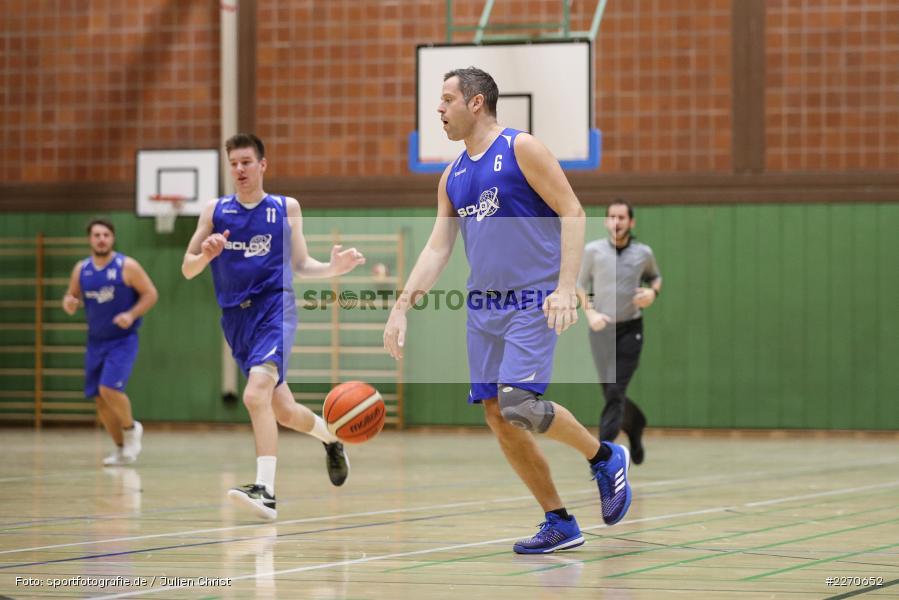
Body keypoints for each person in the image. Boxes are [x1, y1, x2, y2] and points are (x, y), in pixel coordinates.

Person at [383, 67, 633, 554]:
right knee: (499, 415)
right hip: (483, 308)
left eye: (447, 99)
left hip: (532, 298)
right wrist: (401, 306)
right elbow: (438, 248)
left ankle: (604, 456)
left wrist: (565, 287)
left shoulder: (522, 148)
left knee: (519, 402)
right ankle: (559, 520)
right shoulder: (452, 175)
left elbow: (573, 211)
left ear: (476, 103)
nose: (439, 108)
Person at [182, 133, 365, 521]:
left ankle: (265, 491)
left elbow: (301, 264)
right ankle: (331, 438)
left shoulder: (285, 208)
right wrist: (205, 254)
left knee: (254, 394)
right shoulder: (214, 211)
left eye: (247, 162)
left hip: (275, 310)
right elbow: (187, 268)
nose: (240, 170)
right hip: (236, 320)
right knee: (282, 410)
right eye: (233, 163)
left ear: (262, 165)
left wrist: (334, 268)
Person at [62, 219, 158, 466]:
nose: (101, 239)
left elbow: (151, 294)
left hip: (122, 340)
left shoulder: (127, 266)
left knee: (110, 389)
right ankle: (120, 449)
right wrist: (70, 303)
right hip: (96, 341)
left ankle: (131, 427)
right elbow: (71, 298)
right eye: (96, 235)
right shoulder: (81, 269)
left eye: (105, 234)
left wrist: (131, 314)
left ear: (112, 238)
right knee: (100, 400)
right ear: (90, 239)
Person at [577, 201, 661, 465]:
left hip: (630, 329)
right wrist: (590, 313)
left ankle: (603, 457)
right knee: (612, 393)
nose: (616, 221)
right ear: (605, 221)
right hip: (601, 330)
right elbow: (579, 284)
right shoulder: (593, 251)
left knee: (615, 390)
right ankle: (635, 425)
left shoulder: (643, 253)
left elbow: (655, 277)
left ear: (631, 222)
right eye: (611, 217)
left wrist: (652, 293)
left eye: (621, 217)